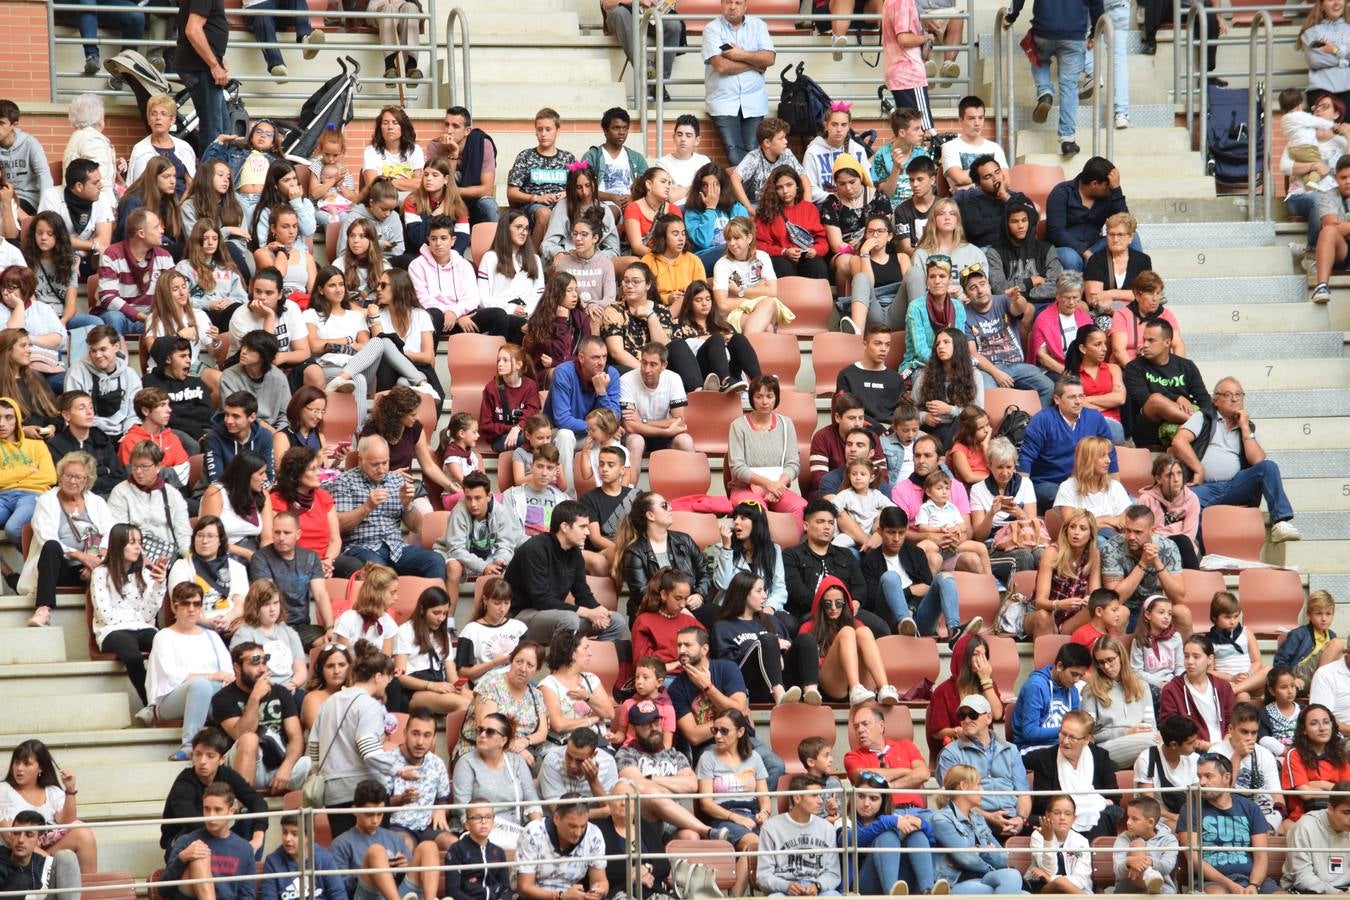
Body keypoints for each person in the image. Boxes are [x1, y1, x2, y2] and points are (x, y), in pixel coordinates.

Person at [1170, 375, 1301, 543]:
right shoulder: (1204, 418)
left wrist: (1245, 427)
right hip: (1206, 486)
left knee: (1269, 467)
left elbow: (1258, 461)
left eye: (1239, 395)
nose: (1234, 399)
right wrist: (1199, 469)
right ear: (1215, 400)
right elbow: (1179, 441)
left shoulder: (1248, 426)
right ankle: (1206, 553)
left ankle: (1280, 521)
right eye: (1227, 395)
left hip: (1236, 485)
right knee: (1191, 501)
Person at [669, 626, 786, 784]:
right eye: (679, 645)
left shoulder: (727, 669)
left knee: (776, 766)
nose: (682, 650)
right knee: (723, 773)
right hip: (710, 747)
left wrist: (708, 687)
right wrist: (729, 725)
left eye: (688, 645)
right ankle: (735, 806)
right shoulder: (677, 688)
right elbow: (694, 736)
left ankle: (754, 806)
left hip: (743, 741)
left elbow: (739, 709)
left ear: (704, 649)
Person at [503, 499, 629, 643]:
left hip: (555, 617)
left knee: (615, 620)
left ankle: (587, 660)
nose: (588, 532)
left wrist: (599, 611)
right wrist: (588, 613)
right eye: (582, 527)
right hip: (520, 617)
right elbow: (542, 600)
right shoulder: (534, 549)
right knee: (569, 619)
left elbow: (583, 594)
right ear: (564, 527)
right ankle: (563, 664)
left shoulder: (574, 553)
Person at [331, 435, 444, 578]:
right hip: (362, 547)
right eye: (375, 464)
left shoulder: (396, 480)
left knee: (435, 560)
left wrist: (408, 504)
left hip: (396, 548)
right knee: (379, 571)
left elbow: (417, 527)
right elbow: (338, 525)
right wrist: (367, 507)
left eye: (385, 463)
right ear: (360, 460)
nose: (381, 469)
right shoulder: (344, 481)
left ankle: (433, 601)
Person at [147, 582, 234, 760]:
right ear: (174, 607)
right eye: (185, 604)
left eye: (196, 604)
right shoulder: (164, 636)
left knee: (228, 691)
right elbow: (171, 676)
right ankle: (189, 744)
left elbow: (227, 673)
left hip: (210, 693)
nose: (191, 609)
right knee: (201, 686)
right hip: (170, 699)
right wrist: (212, 676)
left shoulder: (212, 636)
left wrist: (221, 679)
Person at [208, 641, 309, 792]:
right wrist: (255, 697)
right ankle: (243, 805)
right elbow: (241, 734)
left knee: (309, 763)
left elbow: (295, 737)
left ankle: (298, 813)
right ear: (237, 667)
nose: (262, 669)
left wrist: (286, 769)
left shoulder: (280, 692)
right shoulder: (223, 698)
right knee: (250, 739)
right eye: (254, 664)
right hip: (243, 764)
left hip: (278, 764)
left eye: (264, 662)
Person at [159, 726, 268, 860]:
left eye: (210, 756)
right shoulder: (184, 782)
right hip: (182, 840)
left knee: (250, 820)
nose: (202, 761)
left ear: (221, 759)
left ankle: (248, 868)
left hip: (218, 835)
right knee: (191, 836)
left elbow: (257, 801)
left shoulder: (227, 774)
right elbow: (191, 822)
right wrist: (227, 842)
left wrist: (258, 836)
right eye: (198, 754)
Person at [1177, 753, 1279, 893]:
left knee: (1282, 896)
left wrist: (1253, 885)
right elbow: (1193, 858)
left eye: (1208, 776)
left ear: (1226, 777)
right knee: (1218, 896)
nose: (1202, 782)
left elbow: (1261, 856)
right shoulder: (1190, 808)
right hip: (1210, 882)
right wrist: (1231, 885)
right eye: (1199, 776)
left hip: (1251, 879)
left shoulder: (1250, 808)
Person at [935, 694, 1031, 843]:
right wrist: (989, 817)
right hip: (973, 820)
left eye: (972, 715)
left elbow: (1023, 793)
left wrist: (1020, 819)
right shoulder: (950, 753)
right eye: (962, 715)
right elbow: (953, 800)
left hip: (1013, 820)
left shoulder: (1011, 750)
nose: (966, 720)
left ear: (988, 718)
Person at [713, 570, 819, 704]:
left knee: (806, 639)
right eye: (759, 591)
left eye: (764, 590)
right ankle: (779, 696)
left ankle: (811, 692)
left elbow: (790, 648)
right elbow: (726, 666)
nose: (764, 596)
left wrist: (777, 652)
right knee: (768, 640)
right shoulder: (723, 626)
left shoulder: (771, 620)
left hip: (782, 677)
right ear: (743, 593)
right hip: (750, 684)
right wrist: (769, 646)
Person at [694, 707, 770, 895]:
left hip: (751, 815)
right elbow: (705, 803)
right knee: (753, 843)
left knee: (771, 842)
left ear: (741, 732)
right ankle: (736, 896)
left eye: (724, 731)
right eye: (715, 730)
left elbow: (765, 799)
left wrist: (764, 814)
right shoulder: (707, 758)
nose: (718, 736)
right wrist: (735, 818)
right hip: (722, 817)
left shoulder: (754, 758)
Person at [1018, 376, 1120, 510]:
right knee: (1064, 496)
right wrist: (1021, 497)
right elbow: (1026, 458)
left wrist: (1116, 489)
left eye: (1081, 396)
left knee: (1128, 502)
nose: (1078, 402)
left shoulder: (1095, 417)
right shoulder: (1042, 419)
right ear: (1057, 399)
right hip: (1048, 483)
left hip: (1085, 482)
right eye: (1072, 397)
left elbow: (1110, 453)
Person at [329, 779, 442, 900]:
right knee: (376, 852)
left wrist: (405, 867)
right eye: (369, 814)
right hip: (367, 894)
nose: (375, 820)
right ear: (354, 810)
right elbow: (339, 887)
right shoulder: (341, 843)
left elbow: (409, 874)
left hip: (401, 892)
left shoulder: (395, 837)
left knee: (428, 847)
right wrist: (371, 870)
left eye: (380, 814)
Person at [962, 264, 1054, 406]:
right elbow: (972, 353)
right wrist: (996, 373)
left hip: (1017, 365)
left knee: (1048, 387)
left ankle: (1035, 424)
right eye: (973, 288)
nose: (980, 290)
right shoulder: (964, 314)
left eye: (982, 284)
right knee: (988, 396)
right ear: (966, 294)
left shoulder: (1002, 300)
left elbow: (1020, 309)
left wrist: (1017, 298)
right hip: (987, 370)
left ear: (988, 284)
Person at [1024, 711, 1122, 841]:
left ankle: (1091, 857)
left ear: (1087, 739)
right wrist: (1083, 806)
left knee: (1107, 813)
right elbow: (1042, 803)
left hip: (1096, 818)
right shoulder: (1045, 758)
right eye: (1063, 734)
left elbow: (1114, 797)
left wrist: (1087, 808)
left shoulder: (1100, 756)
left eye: (1072, 737)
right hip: (1059, 818)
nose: (1065, 741)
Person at [452, 705, 543, 844]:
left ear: (504, 741)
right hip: (479, 832)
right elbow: (464, 810)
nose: (482, 735)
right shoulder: (466, 763)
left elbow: (532, 802)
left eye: (490, 732)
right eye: (480, 730)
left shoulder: (516, 761)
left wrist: (539, 835)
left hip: (515, 830)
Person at [930, 764, 1027, 894]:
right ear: (963, 786)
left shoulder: (978, 818)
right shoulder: (941, 819)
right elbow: (965, 858)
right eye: (978, 785)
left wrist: (980, 851)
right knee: (1017, 889)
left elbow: (1003, 857)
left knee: (1017, 882)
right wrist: (987, 853)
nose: (982, 790)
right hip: (955, 881)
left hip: (981, 877)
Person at [702, 0, 776, 168]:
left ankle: (748, 192)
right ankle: (750, 192)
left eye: (738, 2)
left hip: (754, 101)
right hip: (723, 102)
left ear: (745, 6)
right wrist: (754, 63)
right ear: (721, 4)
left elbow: (769, 58)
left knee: (753, 150)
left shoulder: (758, 26)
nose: (733, 6)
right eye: (728, 2)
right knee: (733, 151)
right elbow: (721, 66)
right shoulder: (712, 29)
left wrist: (739, 54)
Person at [248, 510, 334, 650]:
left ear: (298, 534)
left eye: (287, 533)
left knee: (329, 646)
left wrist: (330, 627)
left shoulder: (311, 557)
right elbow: (268, 596)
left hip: (302, 626)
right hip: (272, 625)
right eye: (277, 532)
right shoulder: (260, 558)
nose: (281, 538)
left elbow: (320, 594)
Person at [1123, 318, 1211, 449]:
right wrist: (1177, 398)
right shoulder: (1134, 367)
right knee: (1155, 400)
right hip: (1149, 429)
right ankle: (1206, 426)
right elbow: (1143, 399)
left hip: (1182, 425)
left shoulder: (1186, 366)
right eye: (1144, 339)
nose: (1145, 345)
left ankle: (1201, 425)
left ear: (1167, 342)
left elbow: (1204, 399)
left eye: (1151, 340)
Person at [160, 783, 257, 900]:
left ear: (231, 811)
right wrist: (182, 857)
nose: (211, 816)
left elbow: (247, 895)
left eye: (217, 810)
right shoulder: (187, 841)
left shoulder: (244, 848)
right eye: (207, 809)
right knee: (199, 852)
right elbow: (163, 890)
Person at [1102, 505, 1189, 633]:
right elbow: (1114, 599)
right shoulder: (1112, 547)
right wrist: (1143, 563)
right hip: (1124, 608)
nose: (1131, 537)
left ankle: (1183, 653)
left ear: (1152, 530)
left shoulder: (1168, 547)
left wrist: (1156, 561)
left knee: (1183, 612)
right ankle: (1120, 653)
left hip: (1154, 607)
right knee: (1120, 612)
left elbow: (1178, 598)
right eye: (1128, 530)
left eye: (1138, 532)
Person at [756, 773, 842, 896]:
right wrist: (786, 886)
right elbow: (763, 876)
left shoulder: (827, 828)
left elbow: (833, 873)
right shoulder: (770, 828)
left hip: (818, 890)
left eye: (820, 795)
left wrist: (818, 886)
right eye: (814, 796)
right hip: (783, 891)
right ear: (797, 798)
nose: (820, 801)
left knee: (834, 896)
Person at [1082, 634, 1159, 767]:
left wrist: (1141, 733)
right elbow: (1089, 736)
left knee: (1163, 742)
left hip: (1142, 741)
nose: (1106, 666)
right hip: (1107, 747)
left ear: (1121, 656)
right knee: (1159, 743)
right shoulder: (1091, 690)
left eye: (1110, 660)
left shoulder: (1141, 685)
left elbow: (1151, 725)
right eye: (1101, 662)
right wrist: (1125, 732)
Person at [1044, 157, 1134, 271]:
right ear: (1094, 184)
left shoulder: (1109, 194)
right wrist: (1085, 253)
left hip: (1094, 246)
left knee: (1130, 238)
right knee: (1071, 258)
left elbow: (1126, 225)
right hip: (1065, 248)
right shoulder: (1062, 192)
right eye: (1108, 186)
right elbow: (1056, 232)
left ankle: (1137, 286)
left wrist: (1117, 190)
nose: (1110, 189)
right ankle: (1078, 287)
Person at [94, 208, 174, 336]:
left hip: (151, 319)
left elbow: (172, 294)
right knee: (114, 317)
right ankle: (118, 355)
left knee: (172, 320)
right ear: (141, 233)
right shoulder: (112, 254)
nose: (162, 230)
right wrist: (141, 317)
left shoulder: (165, 257)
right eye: (156, 227)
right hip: (121, 317)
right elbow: (108, 298)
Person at [1025, 507, 1100, 640]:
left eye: (1083, 529)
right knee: (1043, 616)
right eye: (1072, 527)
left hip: (1071, 618)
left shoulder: (1094, 555)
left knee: (1098, 609)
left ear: (1091, 535)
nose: (1076, 533)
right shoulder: (1052, 553)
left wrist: (1090, 599)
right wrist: (1059, 604)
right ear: (1066, 530)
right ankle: (1045, 659)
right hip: (1044, 613)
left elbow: (1096, 592)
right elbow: (1040, 602)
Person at [507, 108, 576, 248]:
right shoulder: (525, 156)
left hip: (562, 207)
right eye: (539, 129)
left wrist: (567, 193)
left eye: (548, 129)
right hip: (533, 208)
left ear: (557, 131)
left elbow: (581, 186)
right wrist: (536, 198)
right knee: (544, 213)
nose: (543, 134)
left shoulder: (568, 158)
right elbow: (511, 192)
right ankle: (532, 258)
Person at [168, 517, 247, 634]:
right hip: (196, 625)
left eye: (210, 536)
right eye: (199, 535)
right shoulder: (181, 566)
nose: (204, 541)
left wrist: (227, 620)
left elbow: (240, 604)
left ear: (220, 540)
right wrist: (208, 622)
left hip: (231, 625)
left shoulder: (236, 567)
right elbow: (180, 605)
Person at [902, 202, 988, 309]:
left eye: (952, 214)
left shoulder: (975, 253)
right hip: (934, 310)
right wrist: (940, 294)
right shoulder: (921, 254)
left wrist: (966, 297)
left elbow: (984, 289)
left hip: (969, 310)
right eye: (941, 214)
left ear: (957, 220)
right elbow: (917, 294)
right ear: (934, 220)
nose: (947, 217)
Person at [1159, 635, 1237, 751]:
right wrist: (1202, 745)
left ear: (1210, 659)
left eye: (1196, 657)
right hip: (1191, 752)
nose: (1190, 661)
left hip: (1225, 747)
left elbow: (1233, 720)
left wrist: (1227, 741)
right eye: (1186, 656)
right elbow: (1171, 729)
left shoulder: (1223, 687)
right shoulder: (1171, 690)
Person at [539, 629, 615, 746]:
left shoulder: (591, 679)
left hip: (597, 744)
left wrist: (588, 697)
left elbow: (610, 713)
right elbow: (558, 725)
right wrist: (591, 720)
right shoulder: (548, 685)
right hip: (564, 747)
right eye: (585, 648)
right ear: (572, 653)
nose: (590, 653)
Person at [1012, 641, 1089, 753]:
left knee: (1097, 755)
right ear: (1059, 666)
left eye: (1080, 676)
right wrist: (1068, 731)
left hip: (1062, 746)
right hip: (1031, 748)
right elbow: (1029, 732)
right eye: (1074, 674)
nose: (1077, 680)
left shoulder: (1073, 690)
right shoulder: (1036, 686)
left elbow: (1076, 724)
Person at [0, 809, 83, 900]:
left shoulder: (46, 864)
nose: (21, 840)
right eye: (16, 833)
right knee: (20, 880)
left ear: (39, 840)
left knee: (66, 856)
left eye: (29, 835)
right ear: (11, 835)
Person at [1133, 714, 1200, 828]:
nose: (1196, 745)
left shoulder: (1194, 758)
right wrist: (1175, 817)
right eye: (1190, 743)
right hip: (1155, 818)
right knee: (1181, 828)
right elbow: (1148, 805)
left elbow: (1198, 797)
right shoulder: (1146, 759)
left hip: (1188, 816)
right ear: (1173, 744)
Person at [259, 816, 348, 900]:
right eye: (284, 832)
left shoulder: (325, 858)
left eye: (294, 834)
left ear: (309, 836)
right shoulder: (272, 861)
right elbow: (267, 897)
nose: (287, 839)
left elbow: (338, 895)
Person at [1282, 783, 1350, 893]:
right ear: (1330, 809)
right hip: (1308, 890)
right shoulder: (1305, 826)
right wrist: (1335, 893)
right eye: (1346, 812)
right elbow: (1302, 877)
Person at [955, 157, 1034, 250]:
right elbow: (976, 229)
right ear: (978, 184)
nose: (996, 178)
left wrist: (1006, 197)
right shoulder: (971, 201)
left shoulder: (1017, 196)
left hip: (1019, 250)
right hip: (988, 250)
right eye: (988, 177)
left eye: (997, 172)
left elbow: (1033, 217)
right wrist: (1014, 220)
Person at [117, 388, 190, 487]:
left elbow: (184, 473)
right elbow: (136, 478)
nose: (169, 410)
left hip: (174, 494)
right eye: (162, 405)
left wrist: (152, 472)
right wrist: (170, 472)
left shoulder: (172, 438)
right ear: (146, 411)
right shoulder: (130, 441)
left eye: (168, 405)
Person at [1277, 589, 1343, 693]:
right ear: (1309, 614)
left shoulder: (1331, 635)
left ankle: (1325, 685)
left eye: (1328, 614)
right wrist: (1292, 679)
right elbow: (1280, 661)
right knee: (1338, 644)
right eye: (1318, 613)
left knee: (1340, 653)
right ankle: (1320, 683)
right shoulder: (1299, 634)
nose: (1324, 618)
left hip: (1315, 679)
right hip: (1298, 677)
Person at [203, 392, 276, 486]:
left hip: (255, 494)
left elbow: (269, 478)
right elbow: (217, 483)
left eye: (235, 416)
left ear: (252, 417)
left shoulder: (265, 436)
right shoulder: (213, 438)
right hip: (216, 495)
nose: (229, 421)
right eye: (227, 414)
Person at [442, 799, 510, 900]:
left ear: (493, 822)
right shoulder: (457, 849)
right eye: (477, 817)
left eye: (488, 817)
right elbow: (453, 890)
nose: (483, 822)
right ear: (467, 824)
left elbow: (505, 887)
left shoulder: (498, 852)